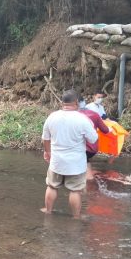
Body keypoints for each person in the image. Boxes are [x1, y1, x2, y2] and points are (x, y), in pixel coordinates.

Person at [40, 90, 98, 218]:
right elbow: (93, 139)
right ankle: (76, 217)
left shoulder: (52, 117)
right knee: (75, 190)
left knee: (52, 186)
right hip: (76, 164)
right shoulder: (83, 119)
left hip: (56, 161)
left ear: (62, 103)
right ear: (76, 103)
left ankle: (48, 210)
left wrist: (47, 152)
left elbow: (45, 137)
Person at [79, 97, 112, 180]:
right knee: (85, 160)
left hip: (80, 147)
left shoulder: (73, 115)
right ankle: (90, 177)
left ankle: (88, 182)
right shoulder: (94, 114)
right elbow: (105, 130)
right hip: (93, 148)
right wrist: (111, 129)